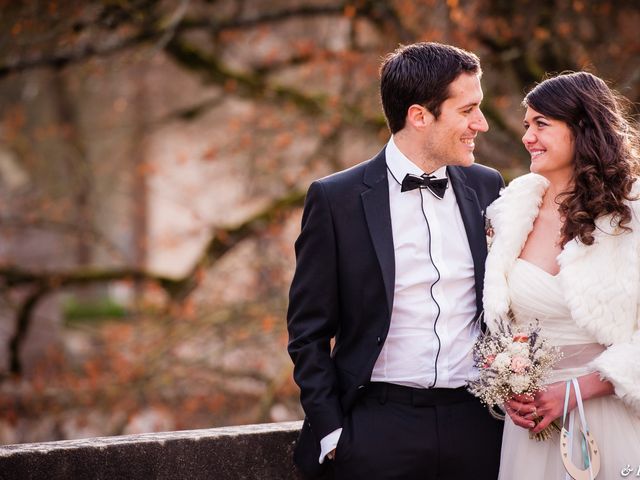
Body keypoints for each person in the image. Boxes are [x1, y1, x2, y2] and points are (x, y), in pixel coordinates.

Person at [287, 42, 504, 480]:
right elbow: (308, 332)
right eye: (468, 110)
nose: (480, 123)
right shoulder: (336, 199)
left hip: (479, 425)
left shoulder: (488, 186)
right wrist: (333, 433)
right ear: (420, 115)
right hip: (377, 431)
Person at [483, 71, 640, 479]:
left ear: (582, 128)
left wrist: (575, 391)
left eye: (541, 124)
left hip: (612, 412)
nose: (527, 137)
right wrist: (511, 387)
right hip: (533, 424)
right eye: (526, 125)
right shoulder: (509, 212)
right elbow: (502, 323)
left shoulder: (633, 213)